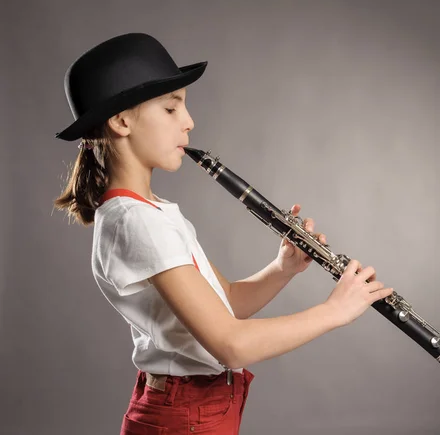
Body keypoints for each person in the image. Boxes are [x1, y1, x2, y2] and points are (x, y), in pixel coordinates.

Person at [53, 32, 393, 435]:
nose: (189, 121)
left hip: (197, 409)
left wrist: (281, 269)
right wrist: (333, 312)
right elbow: (231, 343)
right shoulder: (135, 221)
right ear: (122, 120)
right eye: (171, 108)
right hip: (185, 419)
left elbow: (225, 303)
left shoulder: (151, 212)